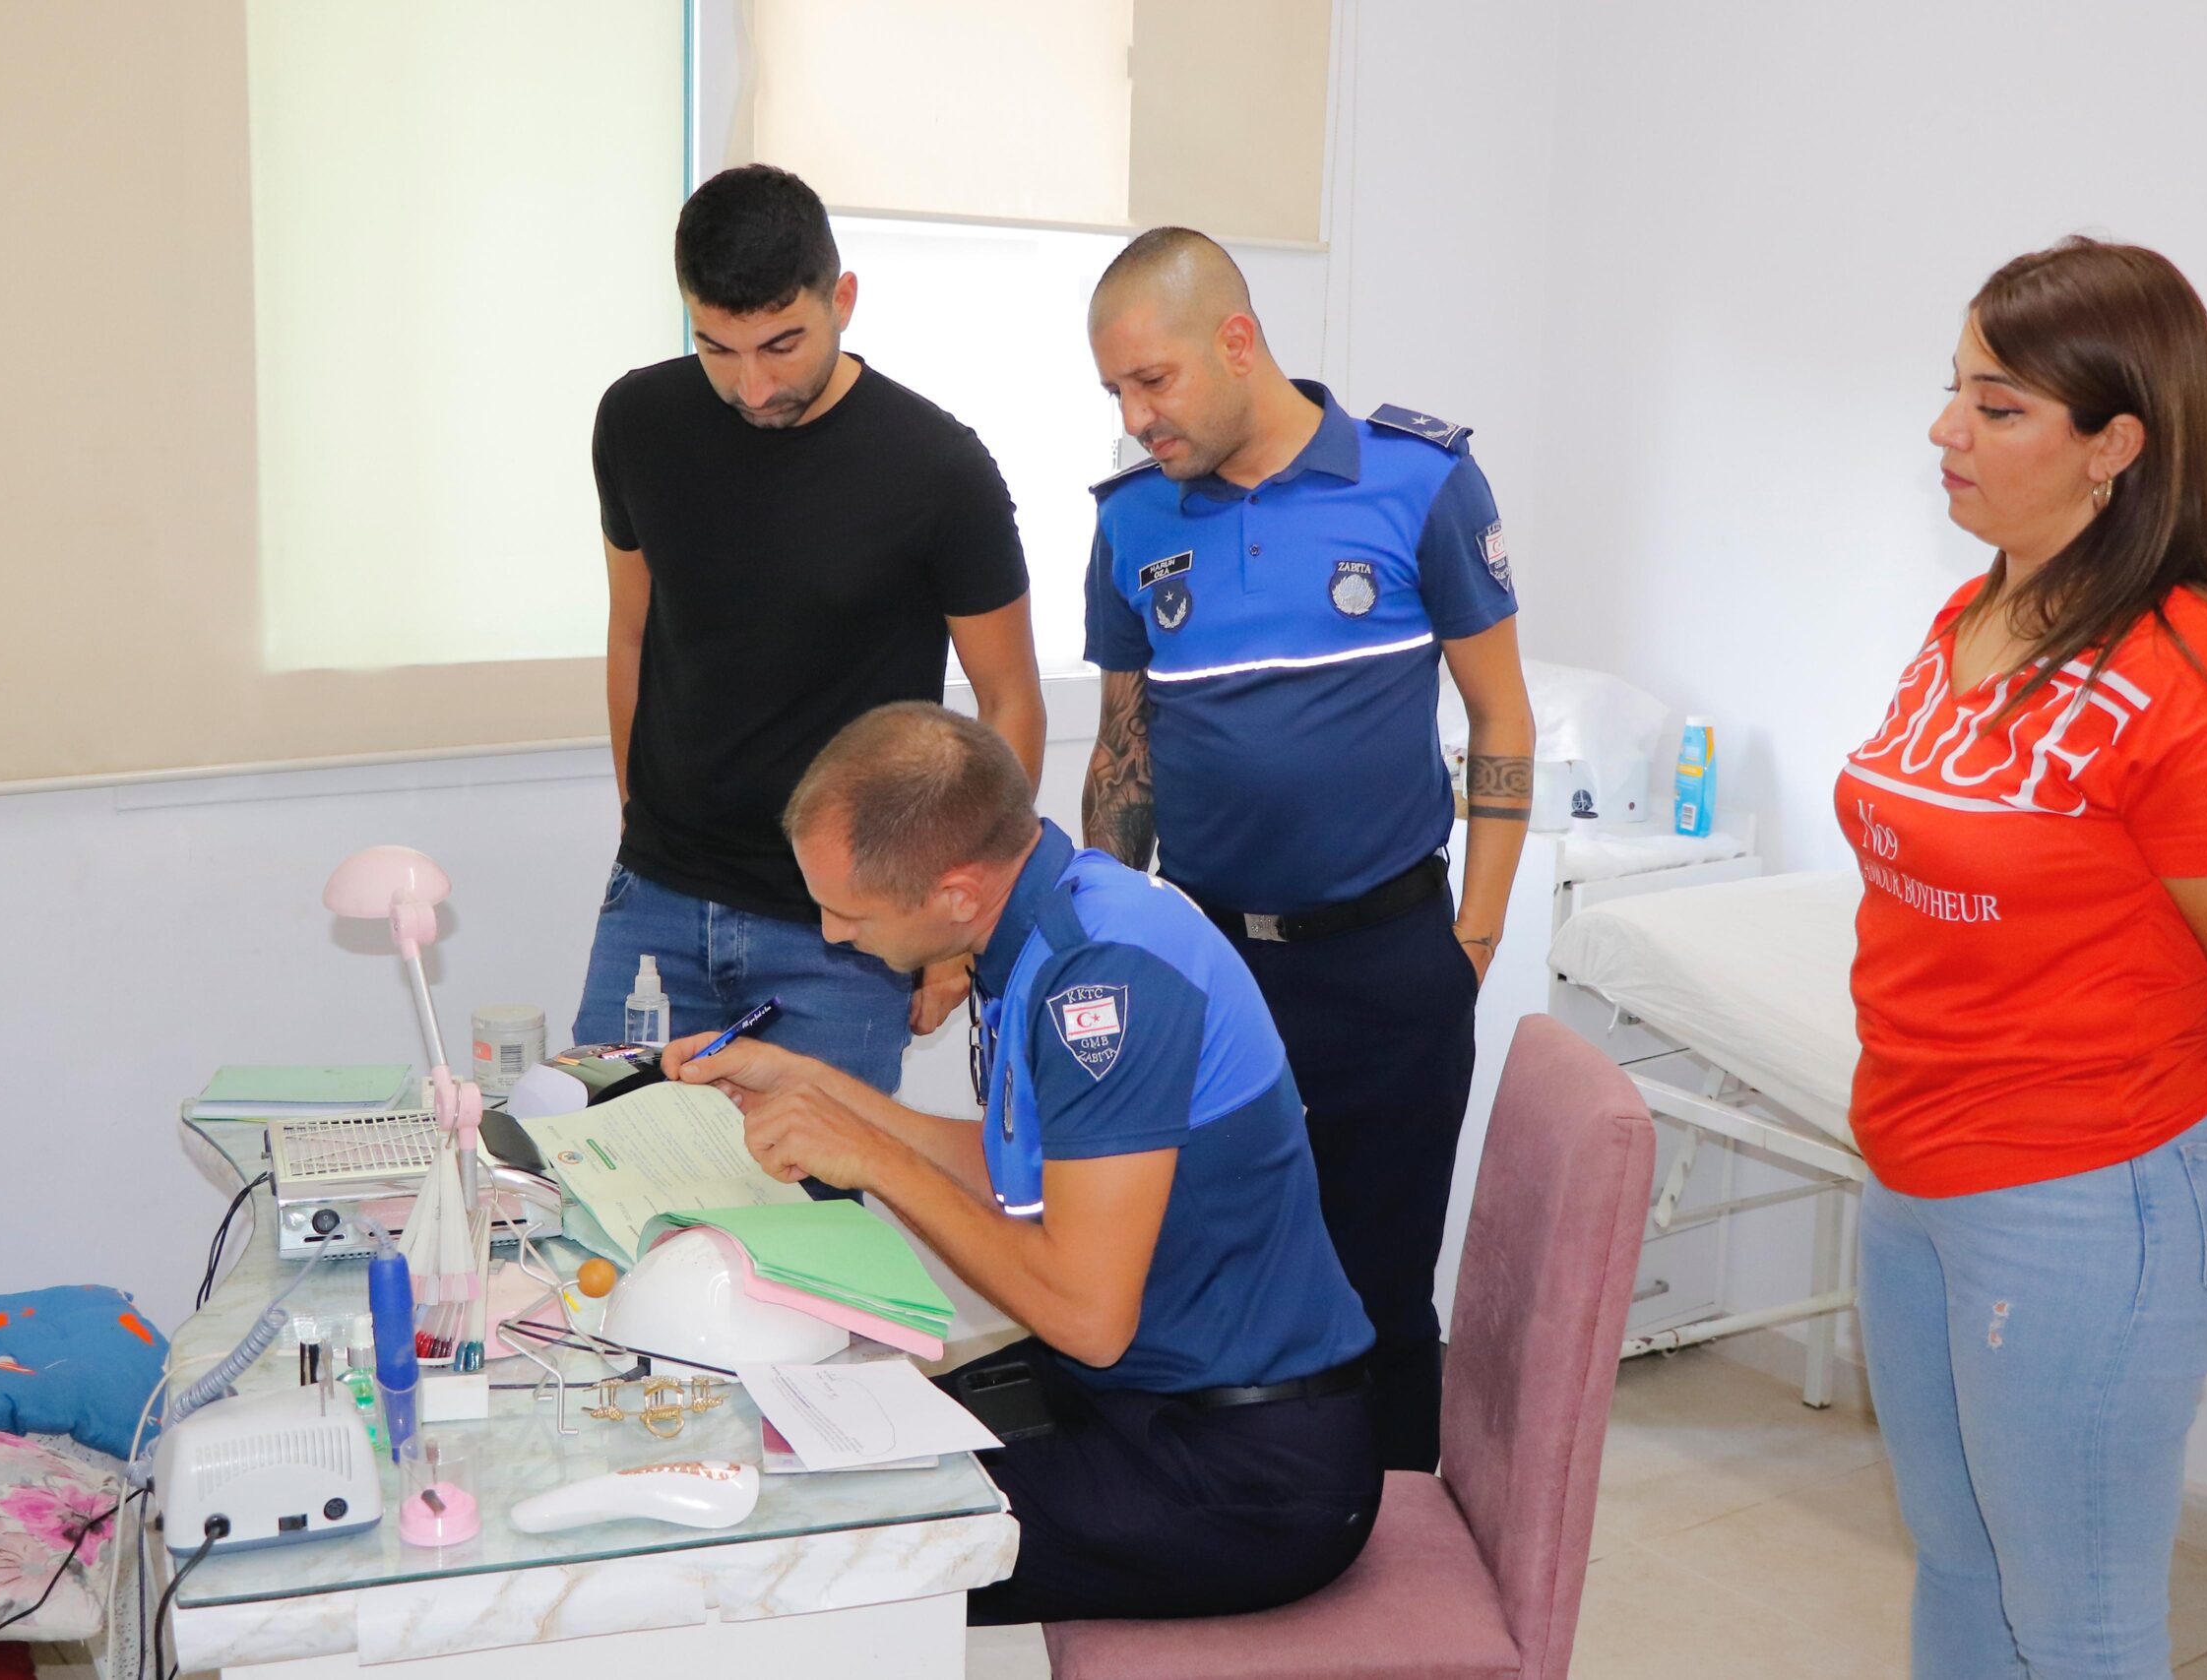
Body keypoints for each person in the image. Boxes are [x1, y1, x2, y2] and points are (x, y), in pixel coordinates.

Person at [1844, 236, 2207, 1680]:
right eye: (1956, 389)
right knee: (1959, 1560)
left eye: (1997, 406)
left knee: (2077, 1619)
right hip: (1914, 1161)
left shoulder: (2193, 679)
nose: (1946, 429)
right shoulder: (1976, 612)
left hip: (2088, 1196)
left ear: (2114, 445)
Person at [671, 702, 1381, 1624]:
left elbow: (1088, 1318)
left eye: (848, 911)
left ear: (956, 893)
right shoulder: (1058, 917)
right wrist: (816, 1087)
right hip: (1145, 1397)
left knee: (805, 1555)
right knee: (793, 1448)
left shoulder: (1104, 980)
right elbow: (1023, 1172)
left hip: (1244, 1469)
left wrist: (873, 1158)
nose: (832, 933)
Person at [1077, 226, 1536, 1470]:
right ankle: (1227, 1520)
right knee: (1204, 1271)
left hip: (1388, 962)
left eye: (1152, 381)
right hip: (1209, 968)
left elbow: (1499, 716)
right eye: (1115, 392)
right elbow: (1123, 751)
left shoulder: (1419, 482)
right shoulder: (1131, 522)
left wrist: (1472, 942)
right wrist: (1094, 949)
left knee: (1381, 1292)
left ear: (1238, 341)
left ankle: (1394, 1543)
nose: (1135, 418)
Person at [573, 164, 1046, 1103]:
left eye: (782, 344)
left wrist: (958, 928)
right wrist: (638, 820)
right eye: (717, 348)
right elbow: (631, 633)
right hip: (657, 905)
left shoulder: (938, 470)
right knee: (604, 1173)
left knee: (816, 1195)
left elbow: (1010, 699)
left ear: (843, 299)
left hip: (845, 934)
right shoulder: (637, 423)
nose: (753, 386)